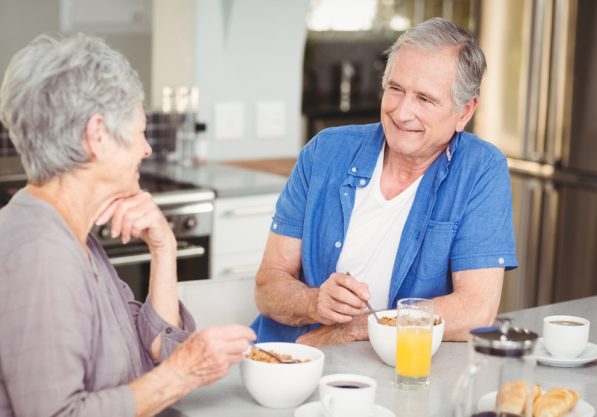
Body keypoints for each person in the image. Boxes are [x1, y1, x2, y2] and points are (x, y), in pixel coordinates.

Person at [0, 34, 255, 416]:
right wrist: (185, 372)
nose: (147, 149)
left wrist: (164, 248)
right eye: (139, 132)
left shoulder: (74, 234)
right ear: (98, 135)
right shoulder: (40, 255)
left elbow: (152, 347)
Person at [253, 17, 517, 346]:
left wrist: (356, 329)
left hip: (393, 371)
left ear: (464, 112)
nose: (402, 111)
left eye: (425, 99)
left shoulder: (480, 169)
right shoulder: (325, 152)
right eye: (395, 89)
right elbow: (268, 286)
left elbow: (475, 312)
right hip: (287, 357)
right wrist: (314, 302)